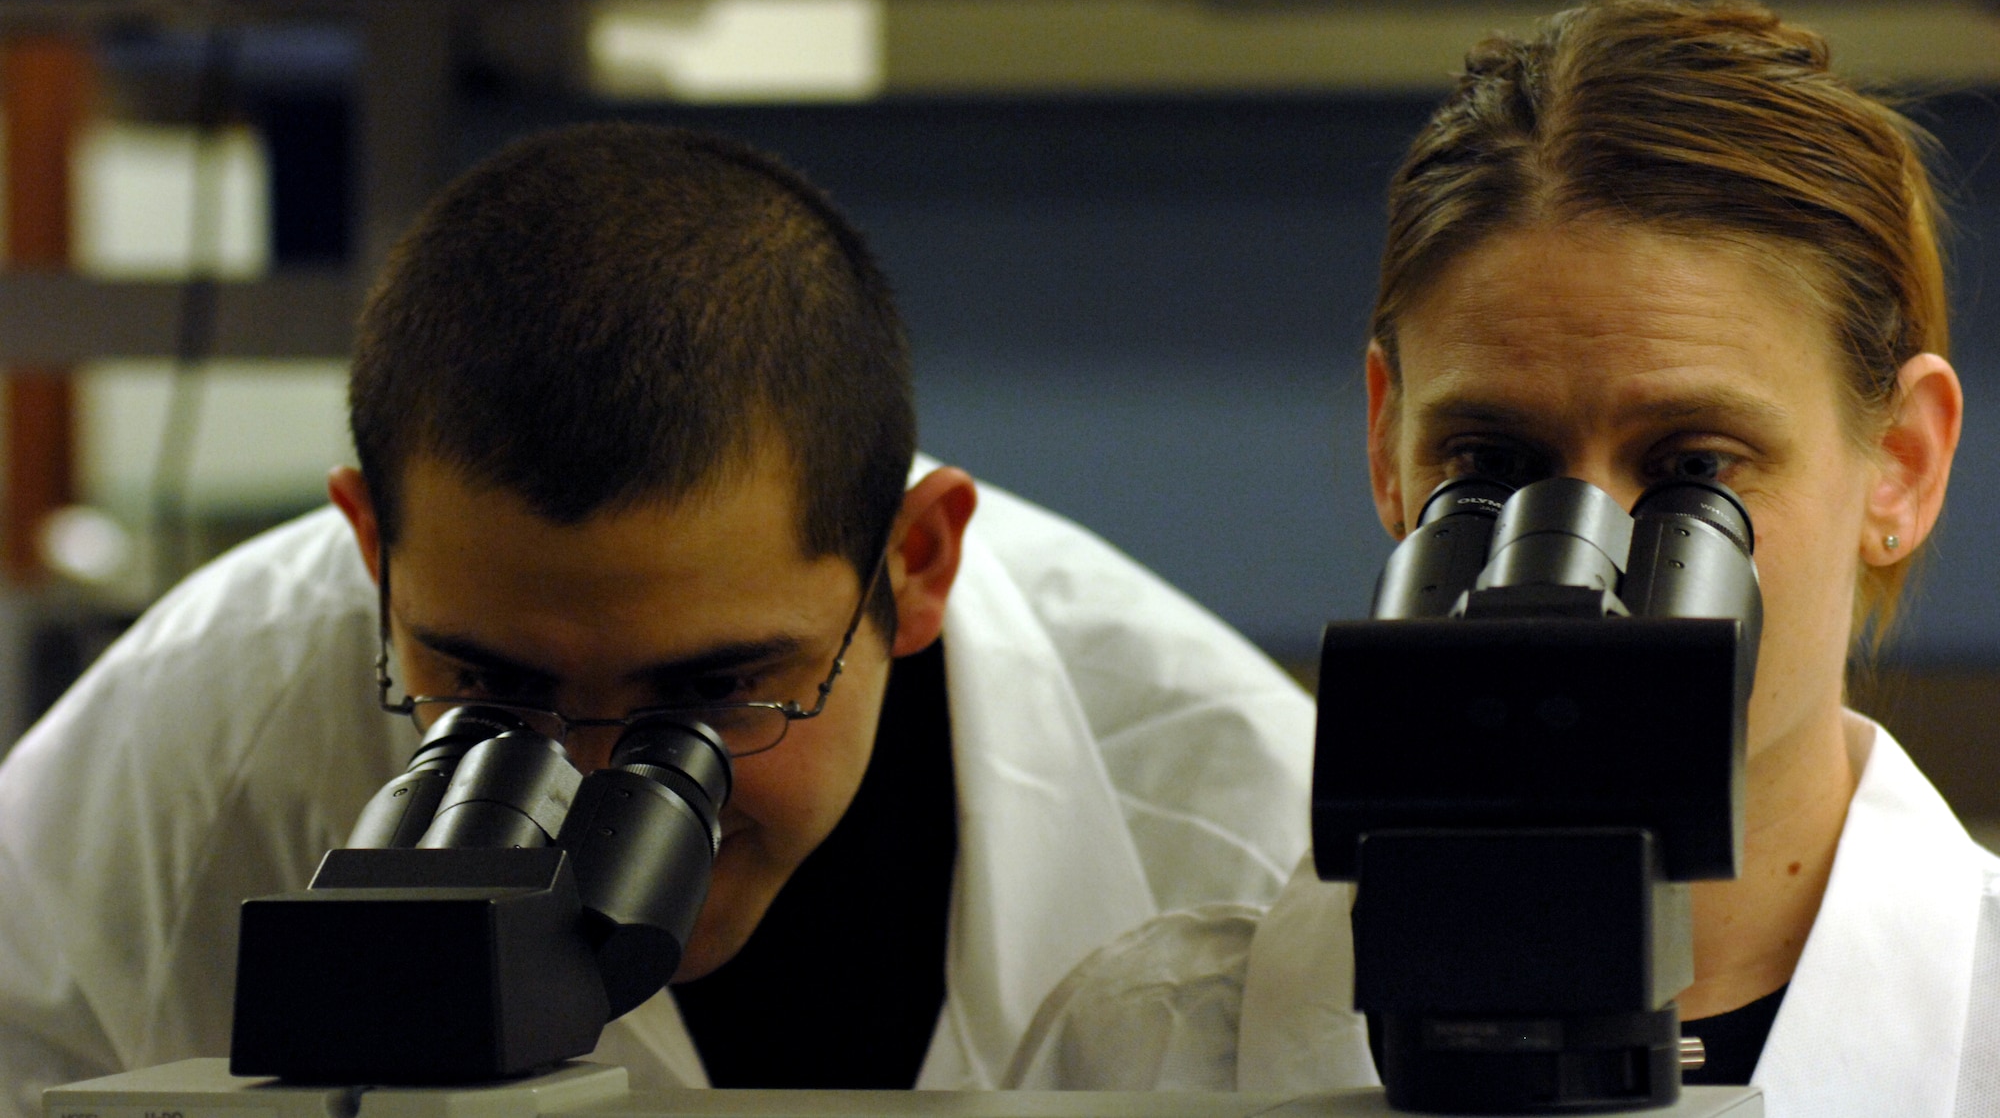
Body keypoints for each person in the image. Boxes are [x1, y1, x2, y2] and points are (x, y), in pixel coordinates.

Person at [0, 123, 1314, 1114]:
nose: (592, 789)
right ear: (371, 551)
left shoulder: (1232, 827)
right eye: (491, 688)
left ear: (913, 562)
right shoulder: (171, 761)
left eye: (711, 695)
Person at [1009, 0, 1994, 1115]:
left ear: (1901, 466)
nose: (1586, 555)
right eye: (1487, 460)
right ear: (1387, 443)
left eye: (1696, 472)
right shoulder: (1148, 1051)